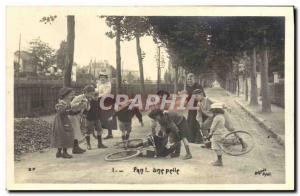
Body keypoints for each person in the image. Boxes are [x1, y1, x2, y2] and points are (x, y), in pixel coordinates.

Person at [69, 85, 95, 154]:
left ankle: (76, 147)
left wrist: (88, 102)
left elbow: (88, 109)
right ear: (86, 92)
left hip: (78, 116)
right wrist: (80, 103)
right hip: (72, 115)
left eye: (92, 94)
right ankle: (75, 148)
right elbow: (71, 105)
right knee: (76, 131)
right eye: (91, 94)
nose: (92, 95)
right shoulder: (79, 97)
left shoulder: (88, 99)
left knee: (77, 131)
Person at [50, 87, 75, 159]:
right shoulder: (62, 103)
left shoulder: (67, 102)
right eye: (70, 95)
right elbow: (60, 112)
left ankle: (59, 152)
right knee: (65, 134)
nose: (72, 96)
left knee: (63, 134)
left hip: (64, 119)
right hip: (61, 120)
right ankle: (64, 152)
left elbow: (68, 111)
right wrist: (67, 109)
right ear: (65, 95)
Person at [184, 73, 206, 144]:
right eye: (188, 79)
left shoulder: (198, 86)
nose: (189, 81)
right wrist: (186, 102)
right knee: (190, 122)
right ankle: (191, 139)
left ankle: (198, 139)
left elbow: (203, 96)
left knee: (197, 121)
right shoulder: (188, 87)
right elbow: (188, 96)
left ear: (194, 79)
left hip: (198, 106)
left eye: (190, 79)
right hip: (191, 106)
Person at [97, 74, 117, 139]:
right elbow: (96, 91)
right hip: (100, 101)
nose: (102, 79)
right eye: (101, 78)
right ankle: (100, 132)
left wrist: (98, 95)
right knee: (101, 117)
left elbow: (106, 93)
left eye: (103, 78)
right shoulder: (99, 84)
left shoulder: (108, 84)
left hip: (107, 101)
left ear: (106, 78)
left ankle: (110, 133)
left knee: (108, 116)